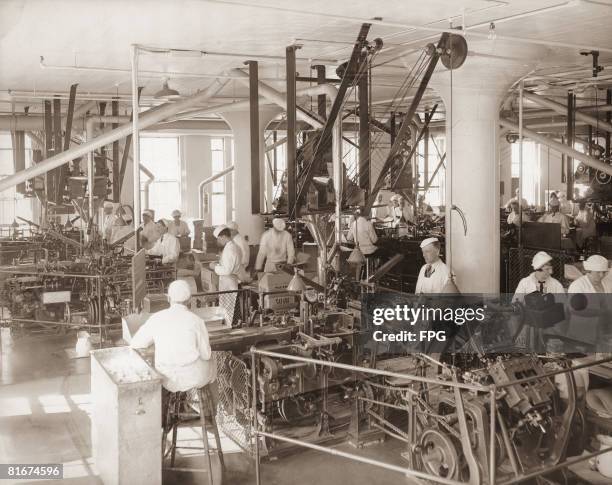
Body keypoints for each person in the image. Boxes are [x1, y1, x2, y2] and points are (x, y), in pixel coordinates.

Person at [130, 280, 214, 393]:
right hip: (193, 376)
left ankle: (183, 403)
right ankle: (211, 408)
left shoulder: (157, 318)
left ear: (168, 298)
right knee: (213, 361)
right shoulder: (196, 321)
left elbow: (136, 343)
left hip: (167, 378)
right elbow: (206, 355)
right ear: (189, 300)